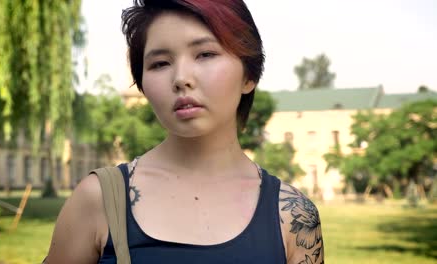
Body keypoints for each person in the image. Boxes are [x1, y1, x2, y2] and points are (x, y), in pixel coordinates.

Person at [44, 0, 324, 263]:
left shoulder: (293, 215)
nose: (181, 79)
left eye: (205, 54)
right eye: (160, 63)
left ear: (249, 75)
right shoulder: (99, 199)